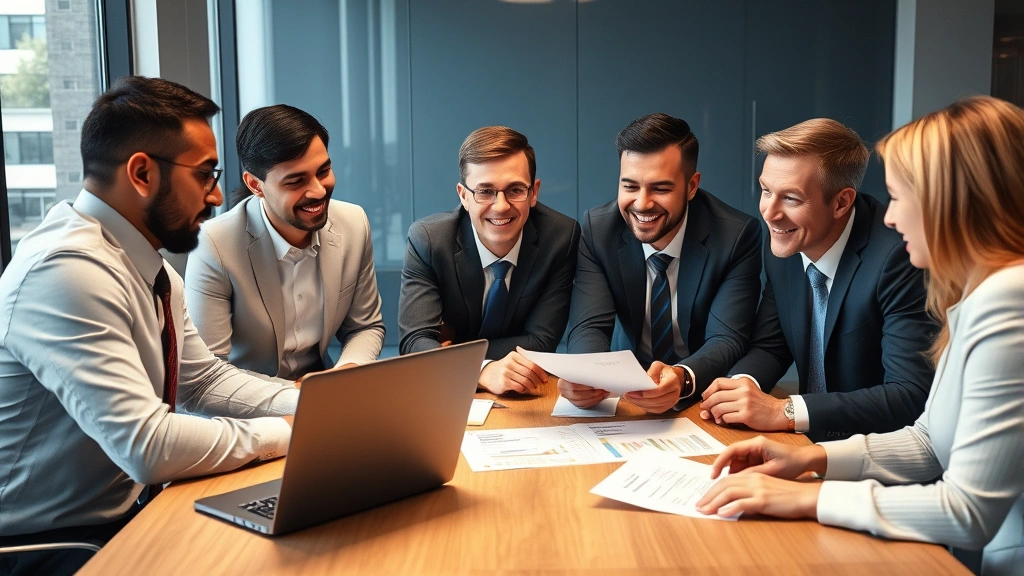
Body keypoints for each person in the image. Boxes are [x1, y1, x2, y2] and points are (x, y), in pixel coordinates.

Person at [697, 95, 1024, 576]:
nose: (890, 217)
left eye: (900, 196)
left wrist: (808, 497)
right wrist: (805, 461)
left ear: (950, 202)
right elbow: (927, 442)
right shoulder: (978, 291)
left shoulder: (1007, 300)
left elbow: (967, 513)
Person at [0, 77, 298, 575]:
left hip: (121, 517)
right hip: (45, 548)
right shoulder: (66, 272)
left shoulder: (144, 265)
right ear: (141, 172)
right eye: (206, 174)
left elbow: (203, 381)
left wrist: (321, 406)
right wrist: (287, 432)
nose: (218, 194)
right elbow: (147, 445)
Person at [699, 119, 935, 442]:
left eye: (791, 199)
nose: (769, 212)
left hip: (877, 460)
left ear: (841, 202)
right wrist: (743, 384)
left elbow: (909, 394)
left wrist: (784, 412)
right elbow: (771, 345)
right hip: (806, 445)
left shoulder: (898, 258)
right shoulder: (784, 243)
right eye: (766, 191)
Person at [561, 113, 762, 413]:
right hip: (627, 392)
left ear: (692, 186)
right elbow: (589, 325)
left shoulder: (735, 236)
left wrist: (683, 378)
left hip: (702, 394)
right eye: (629, 187)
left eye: (661, 188)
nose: (642, 203)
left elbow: (727, 339)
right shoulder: (598, 230)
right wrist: (585, 373)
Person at [185, 105, 385, 379]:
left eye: (323, 171)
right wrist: (297, 395)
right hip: (246, 409)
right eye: (295, 181)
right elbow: (208, 373)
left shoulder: (353, 223)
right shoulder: (214, 244)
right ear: (256, 186)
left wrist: (344, 375)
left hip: (323, 391)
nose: (318, 190)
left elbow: (365, 327)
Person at [398, 126, 580, 395]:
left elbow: (541, 342)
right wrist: (481, 369)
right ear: (463, 195)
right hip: (447, 392)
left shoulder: (560, 237)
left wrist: (453, 352)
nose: (501, 206)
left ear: (534, 192)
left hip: (526, 392)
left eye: (516, 189)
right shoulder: (429, 240)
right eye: (485, 191)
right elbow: (414, 343)